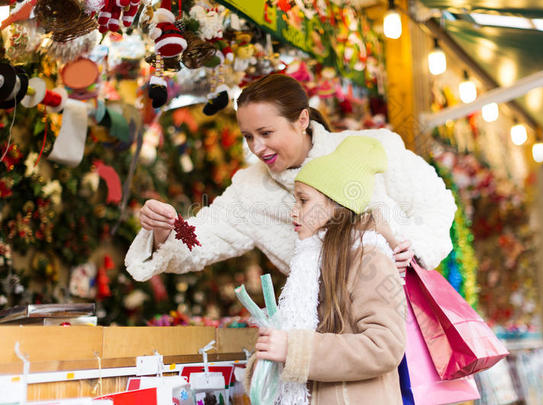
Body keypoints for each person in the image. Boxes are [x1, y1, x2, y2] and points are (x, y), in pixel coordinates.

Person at [125, 73, 456, 282]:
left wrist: (413, 246)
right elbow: (200, 242)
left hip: (400, 315)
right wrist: (166, 230)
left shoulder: (371, 147)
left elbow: (436, 204)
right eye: (248, 136)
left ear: (301, 120)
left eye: (266, 132)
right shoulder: (250, 188)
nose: (257, 147)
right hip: (328, 334)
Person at [246, 136, 406, 404]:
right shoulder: (310, 265)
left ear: (336, 205)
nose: (294, 212)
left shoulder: (370, 259)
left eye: (303, 200)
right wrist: (270, 354)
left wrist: (293, 348)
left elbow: (385, 346)